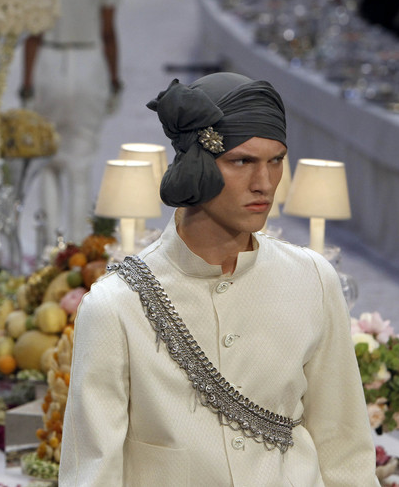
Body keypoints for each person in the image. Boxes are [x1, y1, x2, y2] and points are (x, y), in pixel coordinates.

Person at [59, 72, 379, 486]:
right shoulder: (116, 307)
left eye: (276, 160)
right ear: (197, 164)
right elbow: (93, 474)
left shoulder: (313, 280)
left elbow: (345, 452)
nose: (265, 184)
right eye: (242, 161)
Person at [19, 0, 121, 243]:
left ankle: (50, 247)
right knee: (80, 164)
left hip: (49, 62)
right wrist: (114, 80)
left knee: (47, 159)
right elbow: (108, 31)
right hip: (89, 62)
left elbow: (34, 32)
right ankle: (77, 248)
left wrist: (27, 85)